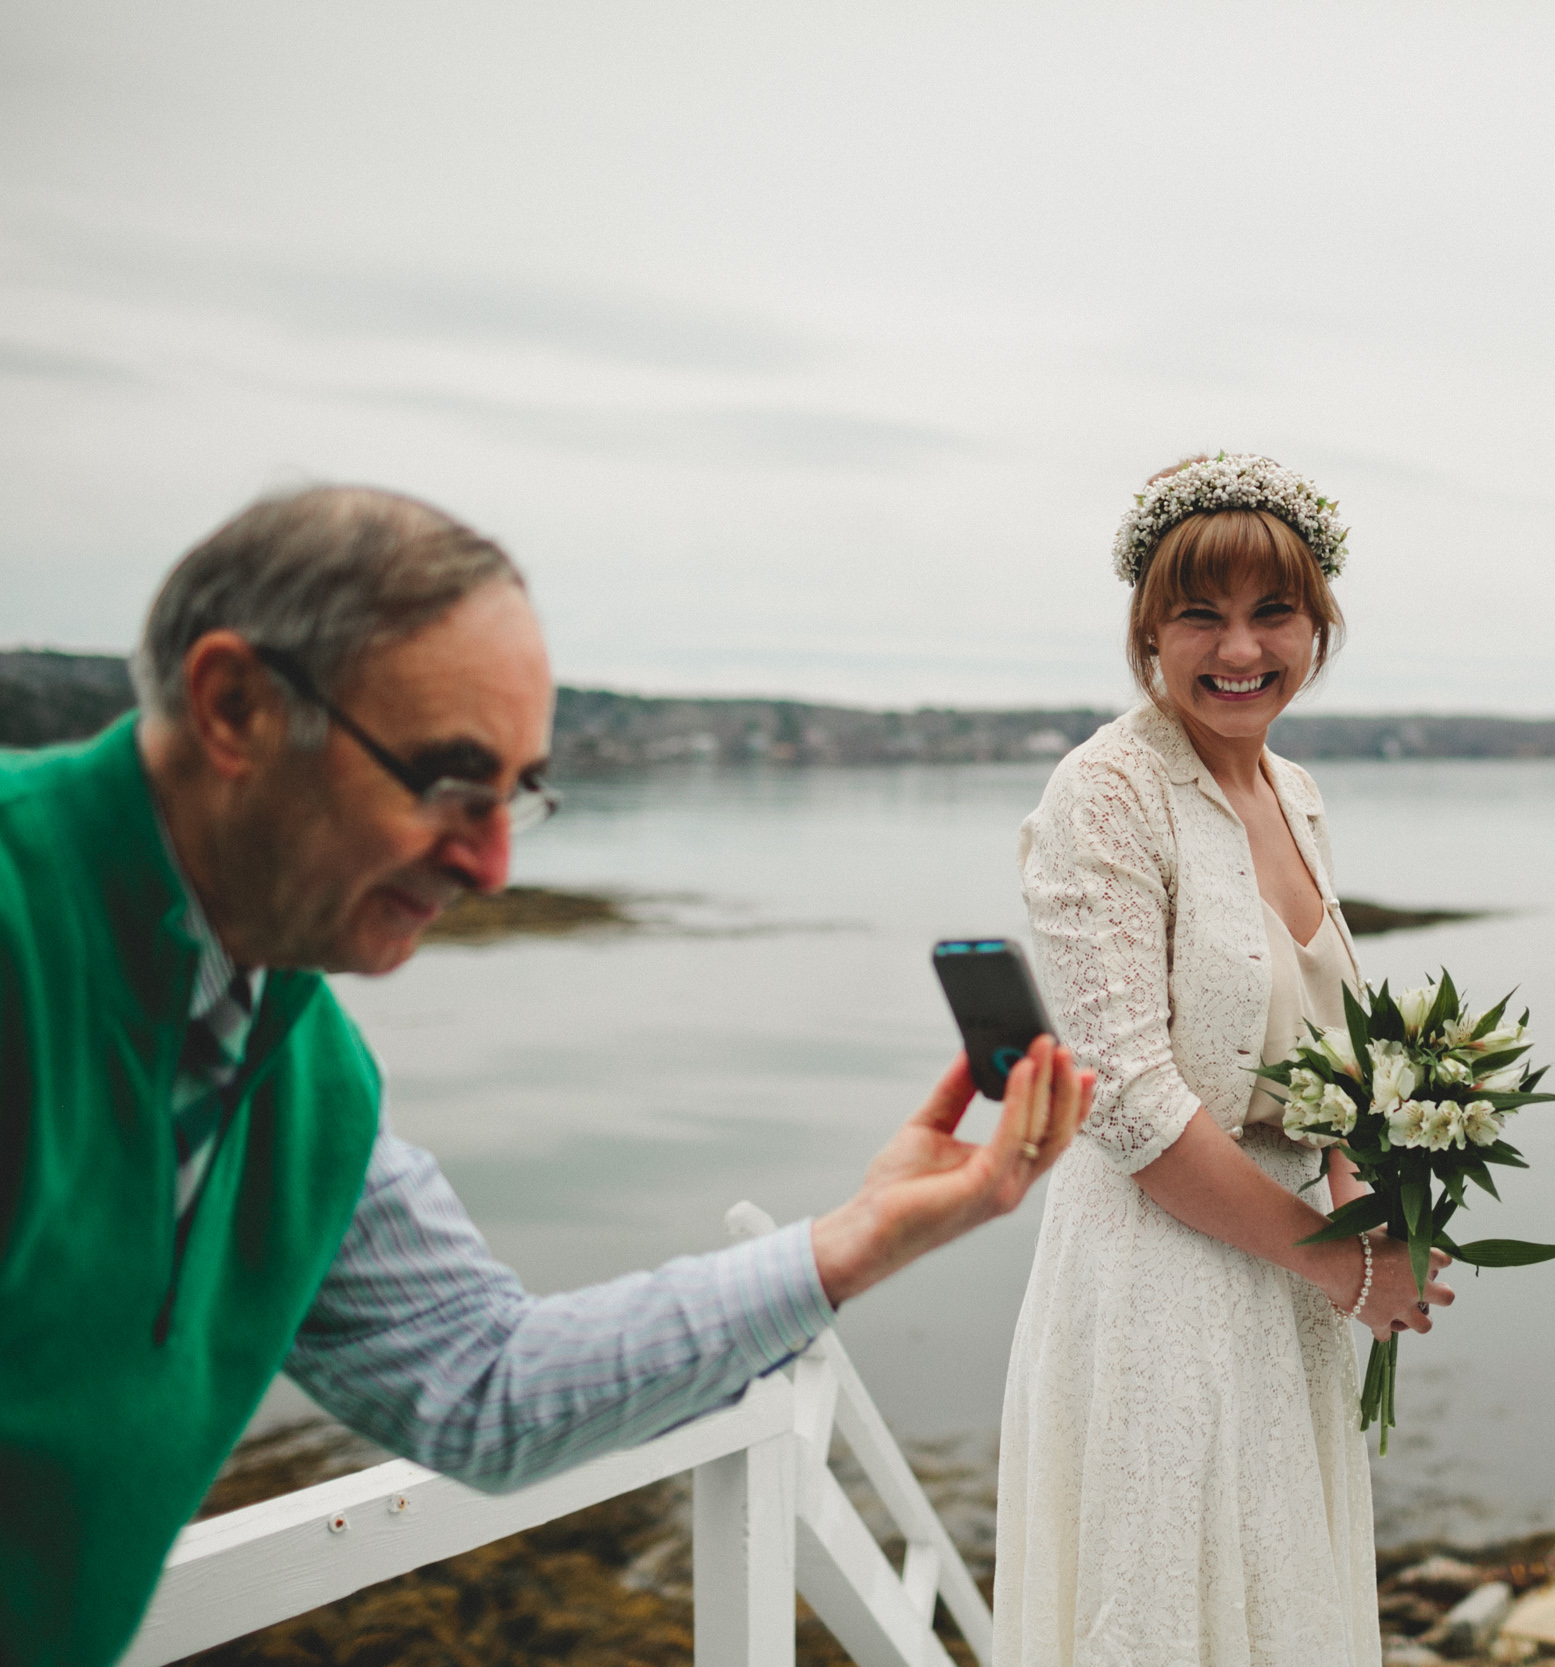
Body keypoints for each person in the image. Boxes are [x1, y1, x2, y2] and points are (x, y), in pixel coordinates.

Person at [0, 485, 1095, 1667]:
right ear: (234, 706)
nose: (494, 862)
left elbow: (481, 1383)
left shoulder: (300, 1063)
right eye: (451, 781)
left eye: (519, 791)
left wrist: (857, 1238)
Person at [993, 454, 1452, 1667]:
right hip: (1159, 1282)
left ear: (1318, 624)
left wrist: (1375, 1200)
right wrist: (1346, 1268)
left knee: (1281, 1606)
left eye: (1272, 611)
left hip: (1287, 1277)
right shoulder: (1106, 791)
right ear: (1149, 627)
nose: (1238, 647)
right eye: (1200, 612)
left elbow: (1326, 1051)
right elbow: (1132, 1109)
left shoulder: (1294, 791)